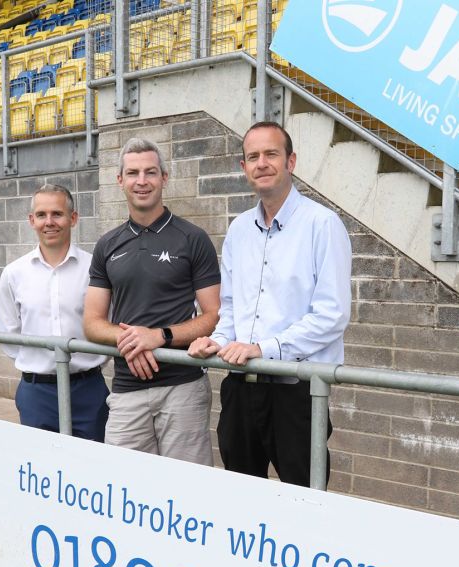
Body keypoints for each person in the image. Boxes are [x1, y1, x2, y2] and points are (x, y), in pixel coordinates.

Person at [189, 121, 352, 487]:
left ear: (290, 162)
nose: (261, 163)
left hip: (296, 393)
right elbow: (231, 306)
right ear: (243, 167)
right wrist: (218, 339)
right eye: (253, 156)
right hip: (240, 389)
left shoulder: (322, 225)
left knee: (304, 503)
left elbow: (333, 315)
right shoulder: (238, 229)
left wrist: (265, 349)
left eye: (271, 154)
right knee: (241, 500)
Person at [83, 138, 220, 465]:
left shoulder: (192, 238)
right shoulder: (107, 245)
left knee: (190, 491)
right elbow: (92, 322)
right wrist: (131, 340)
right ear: (120, 180)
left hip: (182, 386)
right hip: (126, 388)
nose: (141, 181)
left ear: (164, 177)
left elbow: (214, 315)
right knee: (123, 486)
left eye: (150, 172)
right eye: (132, 173)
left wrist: (159, 336)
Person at [0, 183, 109, 441]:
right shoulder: (14, 273)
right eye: (42, 215)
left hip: (87, 389)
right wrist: (37, 365)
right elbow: (8, 333)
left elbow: (108, 323)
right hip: (37, 393)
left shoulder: (95, 269)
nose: (50, 222)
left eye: (57, 214)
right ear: (31, 220)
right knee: (41, 472)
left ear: (73, 218)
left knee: (92, 471)